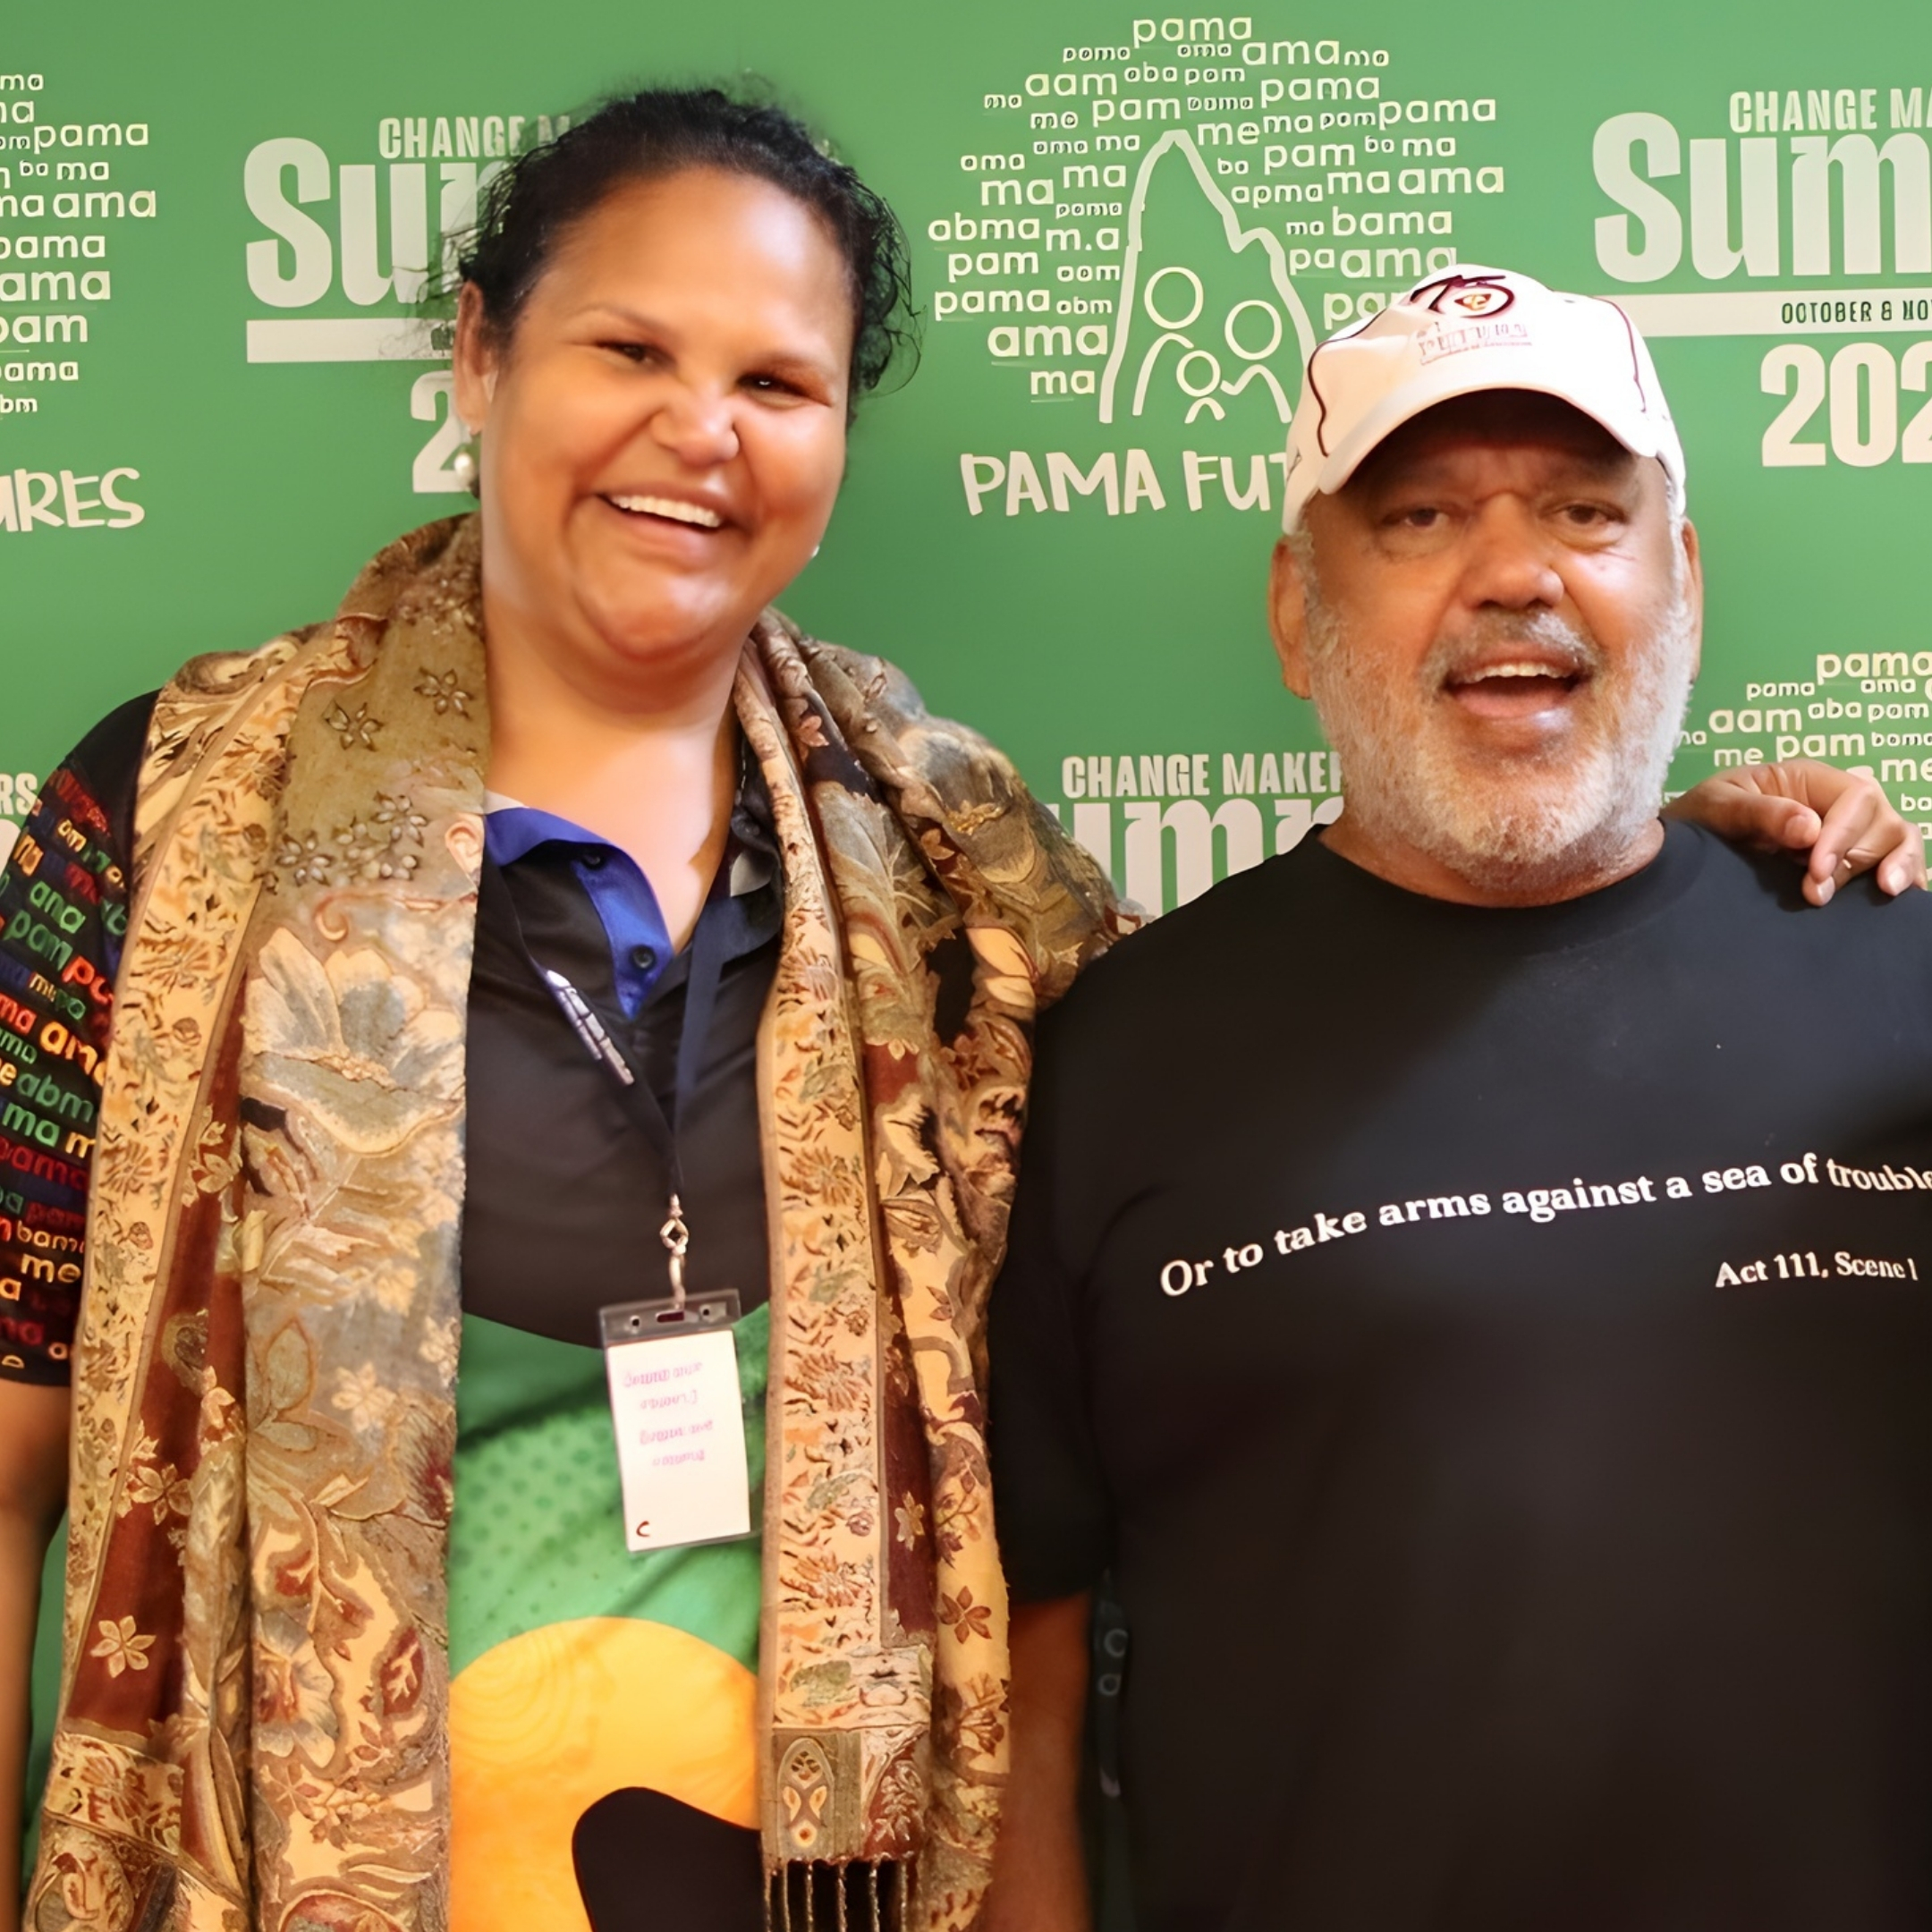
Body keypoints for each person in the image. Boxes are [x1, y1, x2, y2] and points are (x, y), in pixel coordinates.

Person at [0, 123, 1909, 1931]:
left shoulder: (962, 884)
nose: (700, 431)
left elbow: (1387, 1023)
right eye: (630, 347)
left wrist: (1725, 881)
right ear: (483, 358)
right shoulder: (170, 825)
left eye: (776, 381)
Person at [984, 267, 1932, 1932]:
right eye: (1420, 518)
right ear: (1297, 612)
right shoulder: (1117, 1057)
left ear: (1683, 581)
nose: (1517, 573)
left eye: (1587, 509)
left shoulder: (1897, 978)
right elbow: (1026, 1674)